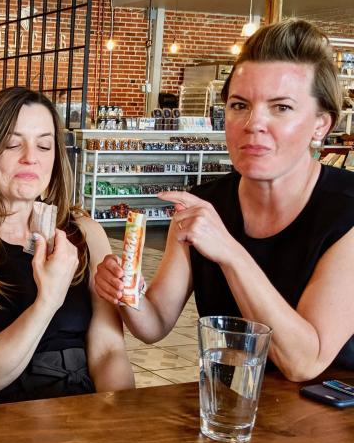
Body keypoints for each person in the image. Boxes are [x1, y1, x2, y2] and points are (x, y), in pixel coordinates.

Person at [96, 19, 354, 380]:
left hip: (328, 422)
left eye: (281, 108)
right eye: (239, 105)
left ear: (320, 125)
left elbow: (303, 361)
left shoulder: (345, 212)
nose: (253, 123)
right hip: (226, 409)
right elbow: (154, 324)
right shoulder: (203, 204)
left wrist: (229, 251)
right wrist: (127, 291)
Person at [0, 87, 134, 407]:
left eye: (44, 144)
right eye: (12, 143)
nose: (31, 157)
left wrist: (116, 420)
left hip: (82, 419)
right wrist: (48, 299)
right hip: (0, 426)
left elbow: (109, 352)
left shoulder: (86, 234)